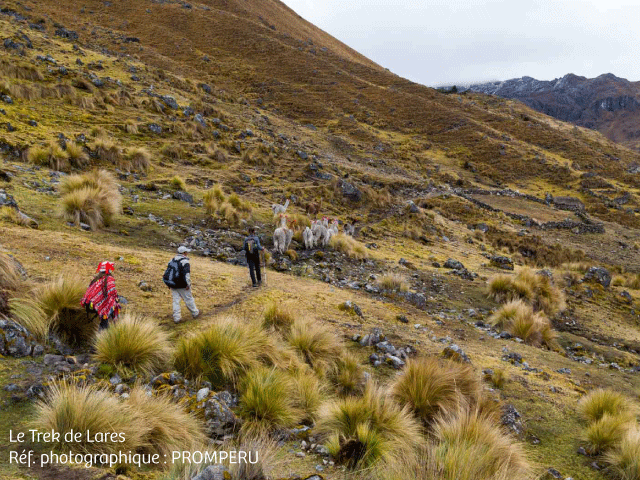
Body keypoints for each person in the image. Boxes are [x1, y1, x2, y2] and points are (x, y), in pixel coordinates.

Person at [163, 246, 200, 324]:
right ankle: (195, 313)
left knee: (176, 301)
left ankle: (176, 318)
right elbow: (187, 274)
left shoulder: (172, 260)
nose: (187, 253)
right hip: (182, 284)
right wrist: (188, 284)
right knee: (188, 299)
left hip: (172, 284)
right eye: (186, 252)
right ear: (184, 253)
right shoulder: (185, 262)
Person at [81, 261, 121, 330]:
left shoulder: (96, 278)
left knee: (107, 308)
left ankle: (104, 327)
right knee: (113, 306)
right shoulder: (109, 278)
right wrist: (116, 299)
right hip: (99, 305)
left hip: (90, 303)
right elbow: (112, 293)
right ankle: (106, 331)